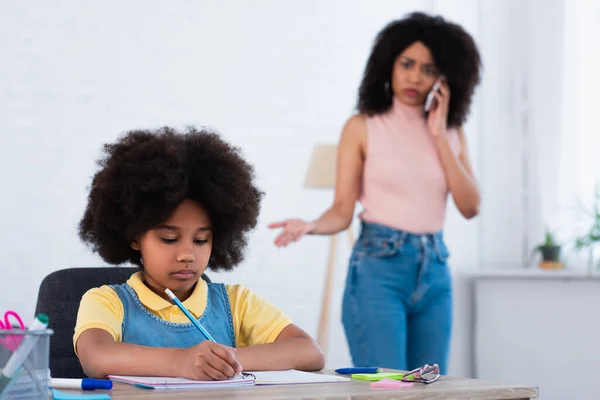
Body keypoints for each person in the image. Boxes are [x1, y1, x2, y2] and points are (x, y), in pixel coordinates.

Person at [269, 12, 481, 374]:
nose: (415, 76)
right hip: (379, 269)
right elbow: (341, 210)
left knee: (433, 390)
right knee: (388, 387)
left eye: (428, 69)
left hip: (435, 272)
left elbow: (470, 206)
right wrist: (311, 225)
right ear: (388, 64)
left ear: (445, 78)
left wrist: (438, 136)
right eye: (407, 64)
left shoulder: (452, 131)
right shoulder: (362, 126)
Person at [74, 126, 325, 380]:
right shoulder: (107, 302)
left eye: (201, 239)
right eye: (169, 239)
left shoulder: (236, 303)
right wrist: (180, 362)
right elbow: (96, 357)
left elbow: (309, 351)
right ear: (134, 237)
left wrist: (224, 361)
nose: (187, 254)